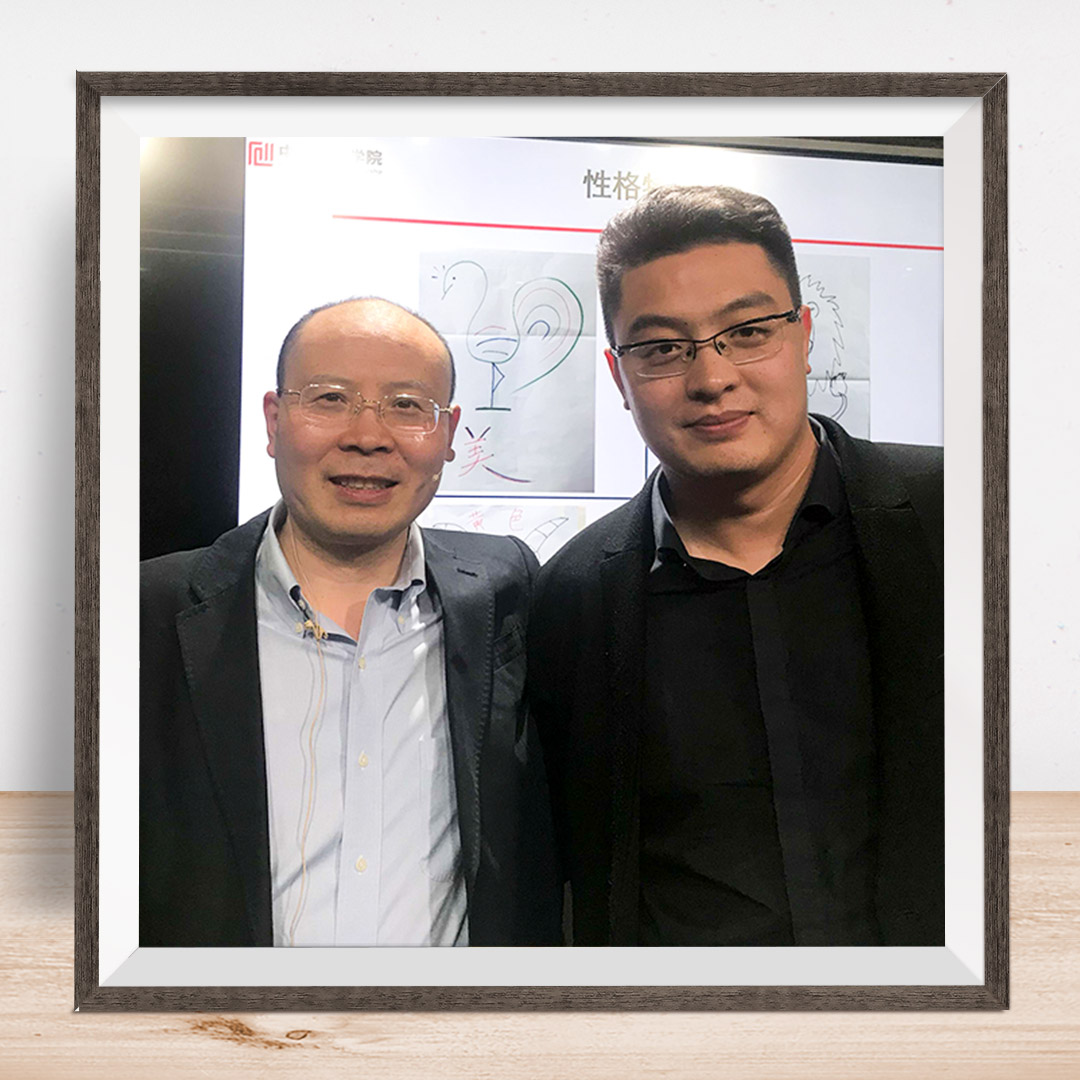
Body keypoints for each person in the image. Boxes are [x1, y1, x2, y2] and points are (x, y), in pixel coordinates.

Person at [530, 186, 944, 947]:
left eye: (748, 331)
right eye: (662, 348)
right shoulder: (572, 599)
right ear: (619, 378)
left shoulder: (966, 516)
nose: (712, 378)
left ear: (804, 336)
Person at [141, 297, 560, 947]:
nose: (368, 436)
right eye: (330, 398)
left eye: (407, 405)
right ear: (274, 422)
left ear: (448, 434)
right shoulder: (142, 615)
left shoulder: (505, 591)